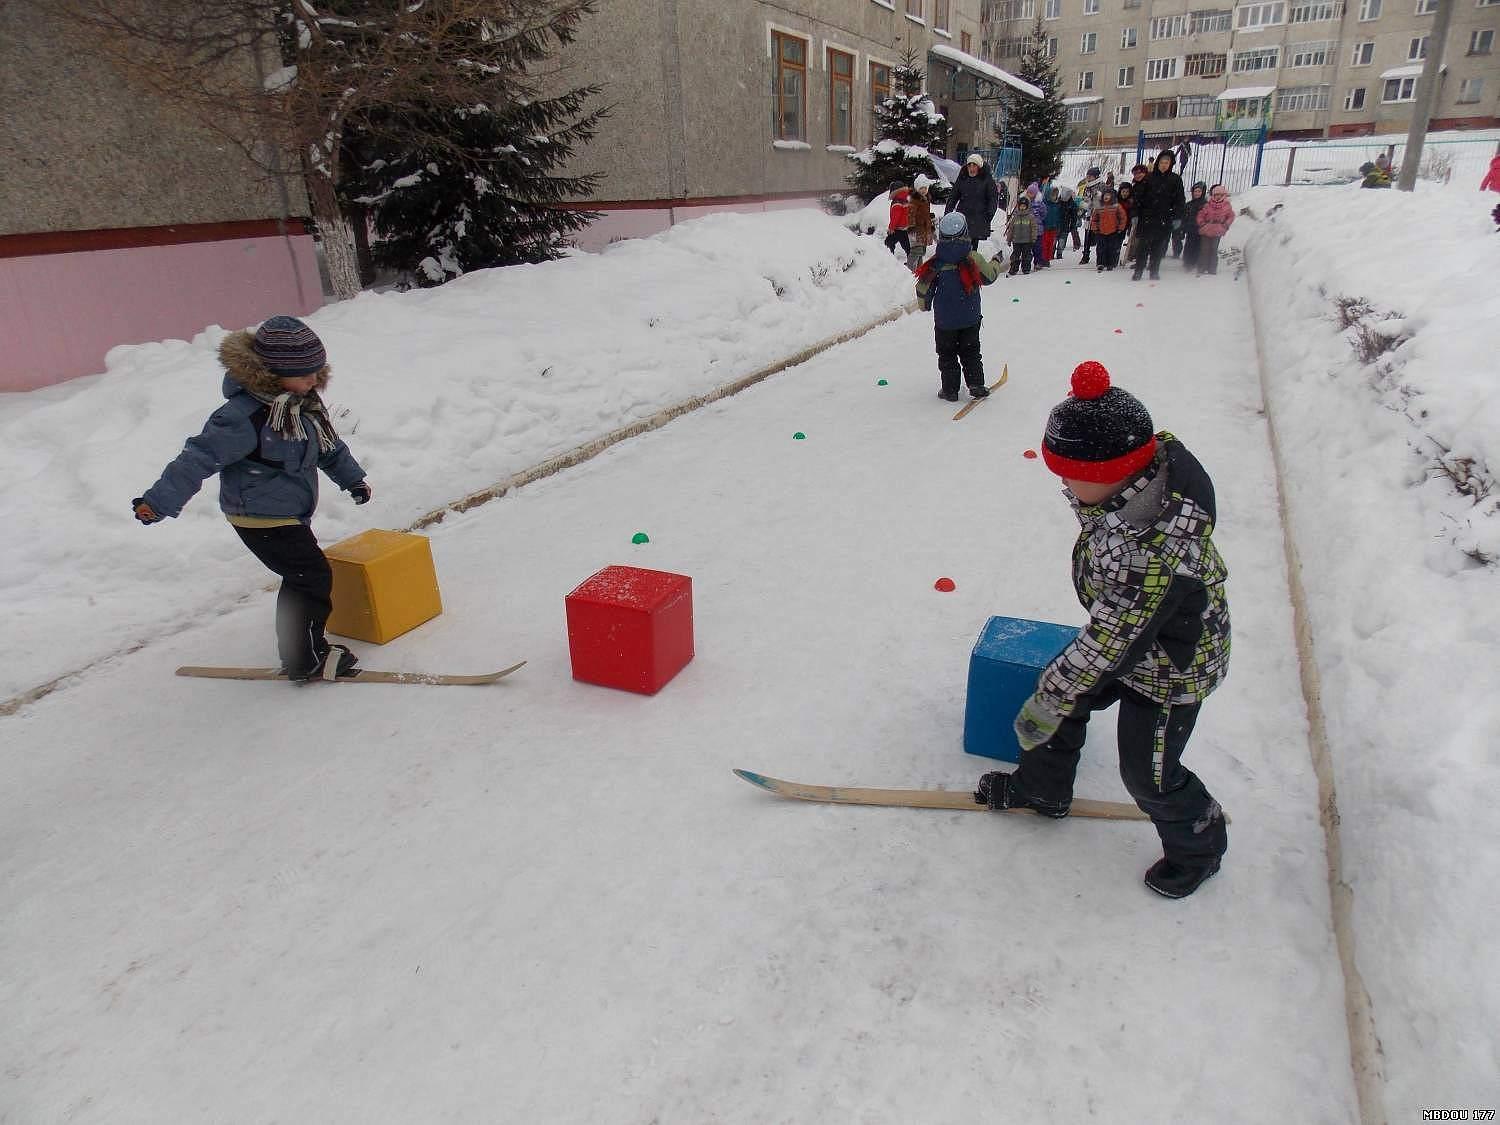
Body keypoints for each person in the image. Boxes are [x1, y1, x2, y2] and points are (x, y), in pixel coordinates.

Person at [974, 361, 1231, 899]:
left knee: (1149, 773)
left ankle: (1199, 844)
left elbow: (1114, 640)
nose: (1065, 487)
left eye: (1070, 476)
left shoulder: (1153, 550)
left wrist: (1055, 689)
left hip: (1170, 672)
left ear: (1109, 473)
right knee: (1058, 700)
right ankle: (1043, 791)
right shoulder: (1133, 488)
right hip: (1134, 640)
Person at [132, 316, 372, 682]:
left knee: (304, 575)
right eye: (305, 373)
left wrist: (353, 479)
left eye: (316, 372)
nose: (313, 381)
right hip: (257, 515)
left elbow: (328, 448)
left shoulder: (303, 406)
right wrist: (158, 502)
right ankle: (305, 658)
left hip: (288, 512)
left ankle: (301, 650)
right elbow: (197, 458)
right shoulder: (244, 417)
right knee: (310, 575)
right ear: (274, 373)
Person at [914, 211, 1001, 402]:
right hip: (970, 318)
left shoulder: (936, 263)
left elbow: (923, 287)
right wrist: (996, 261)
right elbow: (989, 277)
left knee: (947, 355)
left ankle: (950, 390)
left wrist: (924, 305)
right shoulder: (973, 258)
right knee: (971, 351)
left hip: (945, 321)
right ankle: (976, 384)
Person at [1131, 150, 1186, 281]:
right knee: (1142, 247)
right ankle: (1138, 270)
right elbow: (1138, 198)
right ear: (1158, 162)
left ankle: (1154, 270)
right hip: (1147, 218)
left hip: (1164, 218)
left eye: (1167, 162)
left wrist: (1178, 217)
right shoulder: (1148, 178)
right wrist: (1135, 214)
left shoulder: (1175, 179)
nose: (1164, 165)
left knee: (1158, 247)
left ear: (1171, 164)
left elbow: (1180, 200)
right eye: (1162, 162)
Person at [945, 154, 1002, 253]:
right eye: (969, 165)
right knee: (961, 243)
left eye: (974, 165)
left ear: (979, 167)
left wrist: (989, 214)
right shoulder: (963, 178)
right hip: (963, 215)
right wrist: (948, 211)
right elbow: (953, 196)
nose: (971, 168)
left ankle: (970, 265)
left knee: (972, 246)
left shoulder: (987, 180)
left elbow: (993, 199)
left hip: (978, 217)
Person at [1193, 183, 1235, 276]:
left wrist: (1225, 225)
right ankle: (1202, 267)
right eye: (1215, 195)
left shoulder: (1227, 206)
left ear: (1223, 195)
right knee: (1204, 249)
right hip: (1206, 229)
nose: (1217, 197)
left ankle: (1212, 268)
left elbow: (1231, 216)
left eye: (1220, 195)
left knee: (1213, 249)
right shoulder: (1207, 205)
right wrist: (1202, 223)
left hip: (1218, 230)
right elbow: (1200, 215)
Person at [1088, 187, 1128, 272]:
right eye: (1105, 195)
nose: (1106, 197)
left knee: (1111, 248)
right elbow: (1094, 219)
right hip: (1101, 231)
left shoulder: (1116, 206)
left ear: (1112, 196)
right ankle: (1100, 263)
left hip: (1113, 231)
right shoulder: (1099, 206)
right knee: (1101, 248)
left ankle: (1110, 263)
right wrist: (1095, 227)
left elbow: (1123, 217)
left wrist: (1121, 227)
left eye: (1108, 195)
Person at [907, 174, 937, 271]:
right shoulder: (914, 200)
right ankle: (909, 269)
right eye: (921, 188)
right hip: (916, 230)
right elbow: (911, 214)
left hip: (924, 229)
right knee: (916, 250)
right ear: (917, 188)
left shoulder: (926, 199)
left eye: (925, 188)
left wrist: (929, 218)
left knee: (921, 251)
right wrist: (911, 226)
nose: (923, 190)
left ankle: (919, 269)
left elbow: (924, 213)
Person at [1077, 167, 1104, 265]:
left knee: (1099, 237)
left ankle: (1100, 257)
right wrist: (1082, 206)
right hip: (1089, 214)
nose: (1088, 177)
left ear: (1096, 176)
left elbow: (1101, 199)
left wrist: (1091, 203)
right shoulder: (1087, 186)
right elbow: (1086, 199)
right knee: (1087, 236)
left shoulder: (1101, 185)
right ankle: (1085, 255)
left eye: (1090, 176)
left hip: (1099, 214)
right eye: (1087, 175)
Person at [1005, 196, 1038, 276]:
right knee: (1015, 255)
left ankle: (1026, 268)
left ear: (1027, 206)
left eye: (1024, 206)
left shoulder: (1030, 217)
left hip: (1027, 241)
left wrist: (1033, 238)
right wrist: (1009, 239)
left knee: (1026, 255)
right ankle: (1014, 268)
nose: (1022, 207)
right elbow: (1011, 229)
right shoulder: (1015, 217)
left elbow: (1034, 228)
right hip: (1016, 241)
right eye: (1021, 206)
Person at [1123, 164, 1148, 270]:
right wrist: (1134, 214)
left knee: (1143, 240)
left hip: (1147, 216)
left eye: (1140, 173)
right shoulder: (1135, 186)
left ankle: (1142, 260)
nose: (1137, 175)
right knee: (1136, 238)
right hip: (1137, 215)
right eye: (1135, 173)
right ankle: (1136, 258)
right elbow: (1133, 202)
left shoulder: (1149, 184)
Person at [1181, 181, 1207, 272]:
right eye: (1195, 191)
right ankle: (1188, 261)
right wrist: (1183, 228)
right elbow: (1184, 217)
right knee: (1189, 245)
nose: (1197, 193)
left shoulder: (1206, 205)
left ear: (1203, 192)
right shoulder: (1189, 204)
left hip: (1201, 229)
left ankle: (1196, 261)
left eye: (1199, 191)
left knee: (1198, 246)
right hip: (1190, 228)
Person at [884, 181, 912, 259]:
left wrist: (891, 228)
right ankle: (911, 260)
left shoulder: (896, 203)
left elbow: (896, 217)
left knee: (889, 242)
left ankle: (889, 256)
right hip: (905, 227)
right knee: (906, 245)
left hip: (897, 228)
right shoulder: (905, 200)